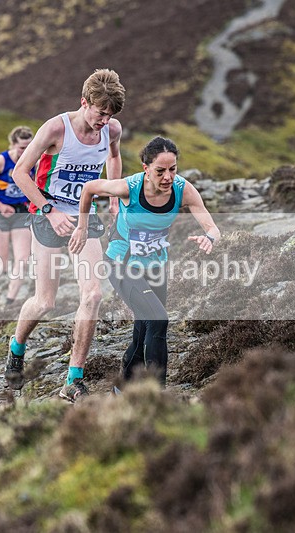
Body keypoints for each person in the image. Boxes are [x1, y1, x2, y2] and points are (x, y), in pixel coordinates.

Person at [5, 68, 125, 403]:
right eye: (100, 113)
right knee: (45, 301)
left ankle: (73, 379)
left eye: (109, 115)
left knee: (93, 295)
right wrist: (50, 211)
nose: (104, 121)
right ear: (84, 102)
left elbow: (114, 157)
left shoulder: (112, 129)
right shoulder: (57, 128)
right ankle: (16, 347)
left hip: (83, 216)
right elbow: (19, 173)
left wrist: (114, 197)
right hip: (48, 215)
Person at [69, 136, 221, 386]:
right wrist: (82, 228)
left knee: (144, 328)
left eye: (173, 169)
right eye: (160, 171)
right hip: (122, 264)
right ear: (146, 169)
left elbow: (212, 227)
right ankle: (156, 394)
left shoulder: (183, 189)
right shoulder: (130, 187)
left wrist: (210, 238)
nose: (167, 177)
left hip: (155, 267)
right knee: (159, 320)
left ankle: (124, 388)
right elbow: (89, 189)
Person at [0, 126, 34, 310]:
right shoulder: (2, 161)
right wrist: (1, 206)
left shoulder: (35, 160)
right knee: (1, 261)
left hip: (20, 211)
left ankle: (9, 302)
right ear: (13, 145)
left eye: (28, 147)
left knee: (22, 259)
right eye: (21, 148)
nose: (25, 152)